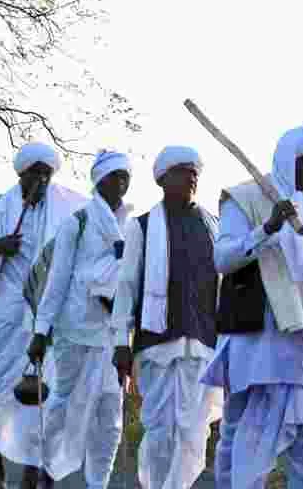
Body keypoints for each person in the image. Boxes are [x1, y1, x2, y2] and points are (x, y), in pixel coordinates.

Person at [204, 123, 303, 489]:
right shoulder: (245, 197)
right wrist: (268, 227)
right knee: (241, 432)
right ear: (286, 159)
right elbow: (224, 259)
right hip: (257, 341)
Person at [0, 143, 86, 489]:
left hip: (46, 315)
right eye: (35, 173)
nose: (42, 179)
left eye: (47, 174)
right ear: (21, 174)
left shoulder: (69, 209)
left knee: (43, 397)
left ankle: (37, 470)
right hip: (4, 312)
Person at [111, 146, 223, 489]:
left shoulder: (214, 225)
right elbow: (127, 286)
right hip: (158, 344)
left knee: (192, 433)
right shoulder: (142, 227)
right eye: (182, 171)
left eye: (194, 173)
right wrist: (120, 342)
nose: (191, 178)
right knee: (160, 430)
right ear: (162, 179)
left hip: (203, 345)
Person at [30, 150, 132, 489]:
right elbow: (58, 280)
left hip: (112, 335)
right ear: (99, 181)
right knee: (61, 404)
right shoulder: (79, 222)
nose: (121, 183)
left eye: (125, 176)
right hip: (73, 330)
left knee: (109, 417)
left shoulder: (132, 226)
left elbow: (132, 283)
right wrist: (41, 331)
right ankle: (49, 469)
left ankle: (97, 483)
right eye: (115, 176)